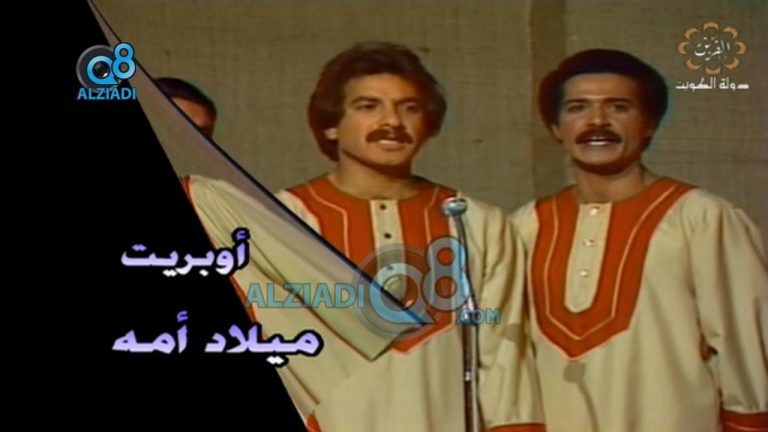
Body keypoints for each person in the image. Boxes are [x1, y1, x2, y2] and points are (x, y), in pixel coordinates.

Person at [183, 42, 544, 431]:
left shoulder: (478, 222)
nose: (392, 122)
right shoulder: (278, 221)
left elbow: (505, 363)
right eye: (368, 106)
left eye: (409, 108)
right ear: (331, 124)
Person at [510, 48, 768, 432]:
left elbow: (744, 343)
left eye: (618, 107)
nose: (597, 121)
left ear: (649, 124)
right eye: (578, 108)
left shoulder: (702, 218)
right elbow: (503, 345)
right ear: (555, 128)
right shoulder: (524, 226)